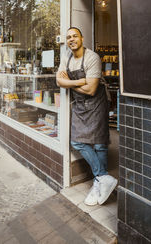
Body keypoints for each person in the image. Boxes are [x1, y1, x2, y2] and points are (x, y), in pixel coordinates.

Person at [56, 27, 117, 205]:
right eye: (68, 37)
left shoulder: (92, 57)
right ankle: (102, 177)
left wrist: (69, 83)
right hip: (80, 106)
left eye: (75, 36)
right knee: (77, 142)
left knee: (99, 144)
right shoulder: (66, 58)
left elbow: (91, 89)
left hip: (97, 103)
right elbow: (58, 80)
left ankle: (99, 183)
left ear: (82, 38)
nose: (71, 39)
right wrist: (79, 81)